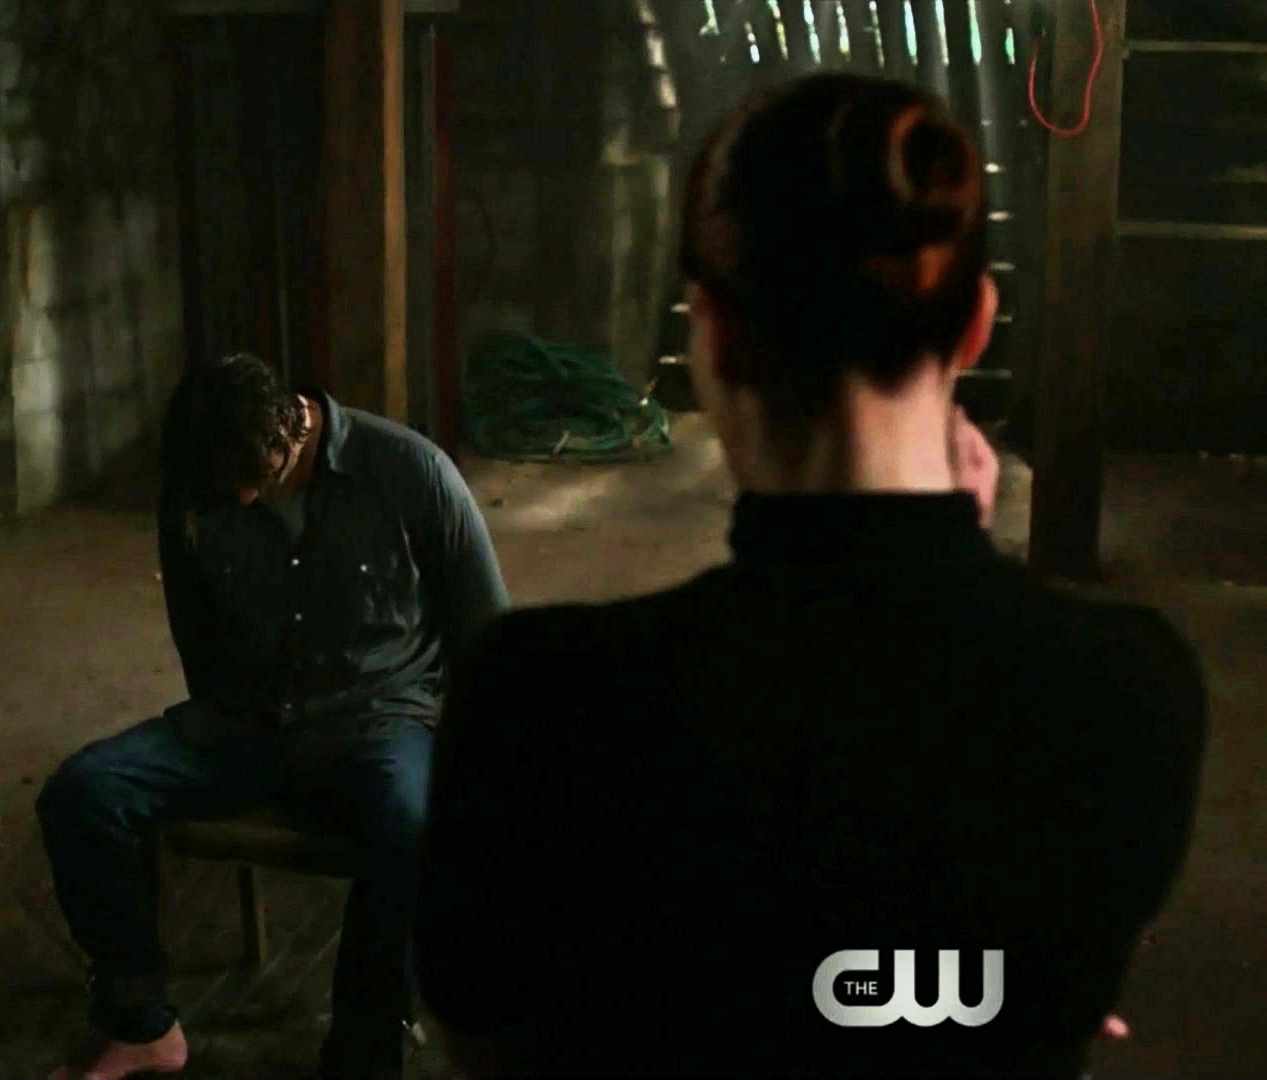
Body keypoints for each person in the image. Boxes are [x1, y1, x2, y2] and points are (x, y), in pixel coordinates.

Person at [414, 73, 1207, 1079]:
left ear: (711, 336)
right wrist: (956, 564)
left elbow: (488, 1038)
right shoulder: (1128, 692)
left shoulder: (539, 701)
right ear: (976, 325)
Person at [38, 352, 509, 1080]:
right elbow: (197, 637)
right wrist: (232, 730)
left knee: (410, 825)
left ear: (294, 430)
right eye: (227, 489)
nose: (244, 499)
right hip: (247, 723)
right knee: (83, 792)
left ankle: (363, 1051)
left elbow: (486, 632)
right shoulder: (198, 490)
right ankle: (142, 1025)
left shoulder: (409, 471)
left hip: (377, 721)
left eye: (259, 480)